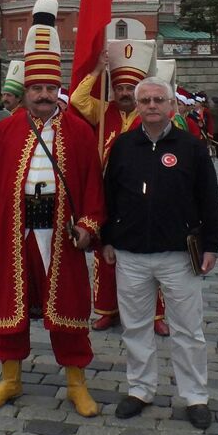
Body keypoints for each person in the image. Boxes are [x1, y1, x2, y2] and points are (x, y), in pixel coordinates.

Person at [0, 0, 105, 418]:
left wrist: (88, 225)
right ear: (26, 91)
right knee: (9, 302)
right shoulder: (8, 129)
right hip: (16, 230)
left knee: (68, 302)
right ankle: (10, 379)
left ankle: (75, 384)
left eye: (50, 89)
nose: (44, 95)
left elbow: (91, 185)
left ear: (58, 89)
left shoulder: (80, 132)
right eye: (36, 89)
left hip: (60, 234)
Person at [102, 77, 218, 430]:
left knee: (188, 330)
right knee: (136, 326)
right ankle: (140, 388)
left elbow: (209, 197)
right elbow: (110, 196)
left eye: (159, 99)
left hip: (178, 254)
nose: (152, 105)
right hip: (131, 252)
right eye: (146, 100)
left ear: (172, 106)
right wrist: (108, 238)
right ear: (138, 107)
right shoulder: (124, 146)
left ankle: (195, 395)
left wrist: (213, 243)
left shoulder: (191, 147)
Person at [70, 40, 169, 336]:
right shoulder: (103, 111)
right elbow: (77, 99)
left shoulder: (150, 115)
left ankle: (157, 315)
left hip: (147, 198)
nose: (125, 93)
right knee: (105, 257)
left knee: (154, 259)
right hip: (109, 198)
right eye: (121, 88)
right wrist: (99, 69)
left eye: (130, 89)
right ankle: (106, 310)